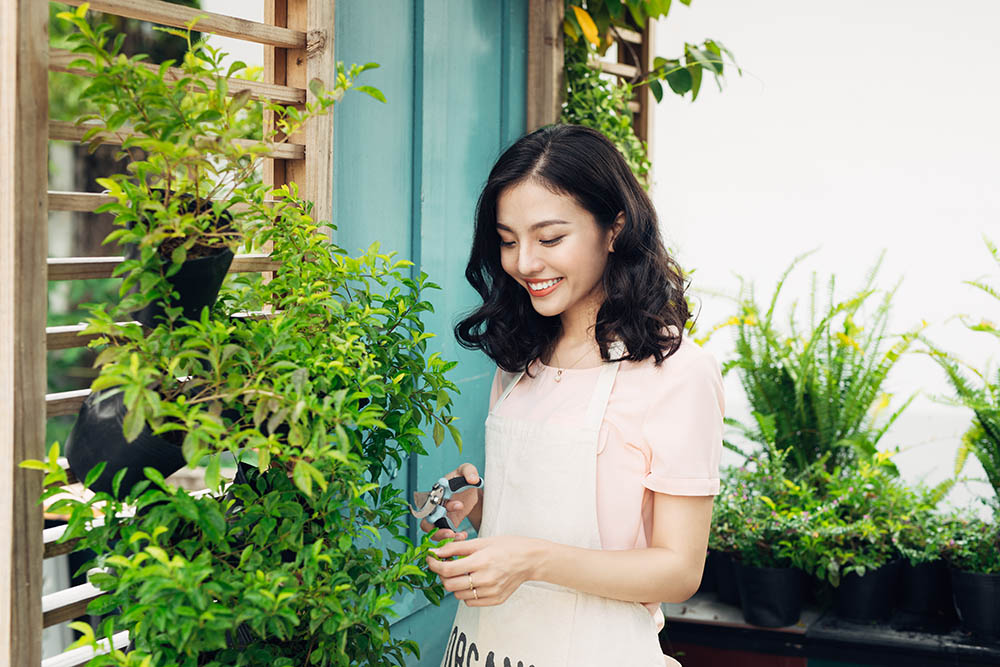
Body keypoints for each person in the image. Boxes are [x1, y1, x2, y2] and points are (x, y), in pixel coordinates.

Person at [424, 124, 724, 667]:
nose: (524, 264)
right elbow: (536, 528)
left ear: (615, 228)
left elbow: (679, 571)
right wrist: (482, 512)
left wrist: (530, 560)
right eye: (508, 240)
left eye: (550, 238)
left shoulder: (677, 373)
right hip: (483, 650)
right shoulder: (520, 360)